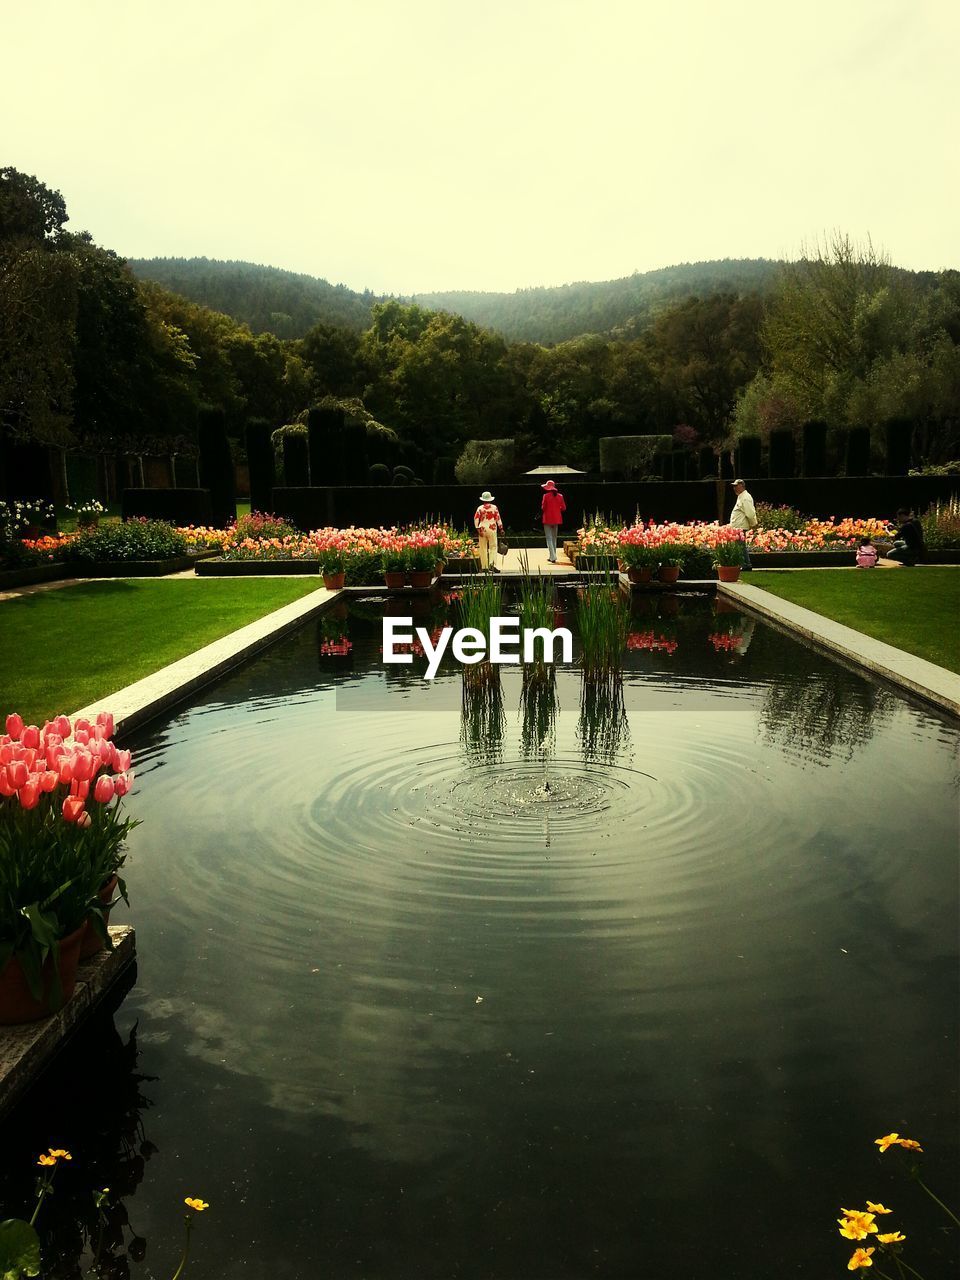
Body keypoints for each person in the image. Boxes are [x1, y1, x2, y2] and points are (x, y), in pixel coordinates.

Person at [728, 478, 758, 570]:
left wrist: (754, 523)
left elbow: (750, 513)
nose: (734, 488)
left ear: (741, 486)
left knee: (741, 546)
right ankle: (744, 564)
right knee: (740, 546)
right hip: (738, 526)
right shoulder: (741, 496)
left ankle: (746, 565)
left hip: (740, 526)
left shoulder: (745, 497)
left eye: (736, 486)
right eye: (734, 487)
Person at [474, 489, 503, 571]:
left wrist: (477, 528)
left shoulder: (480, 508)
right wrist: (501, 528)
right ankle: (492, 564)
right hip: (492, 528)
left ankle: (484, 567)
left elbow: (476, 519)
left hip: (482, 528)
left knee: (483, 547)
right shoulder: (494, 508)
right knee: (493, 547)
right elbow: (498, 518)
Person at [540, 479, 566, 563]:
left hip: (547, 518)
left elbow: (543, 508)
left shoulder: (545, 496)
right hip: (557, 519)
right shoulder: (560, 496)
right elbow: (564, 508)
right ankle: (552, 555)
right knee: (554, 538)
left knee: (549, 538)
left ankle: (553, 556)